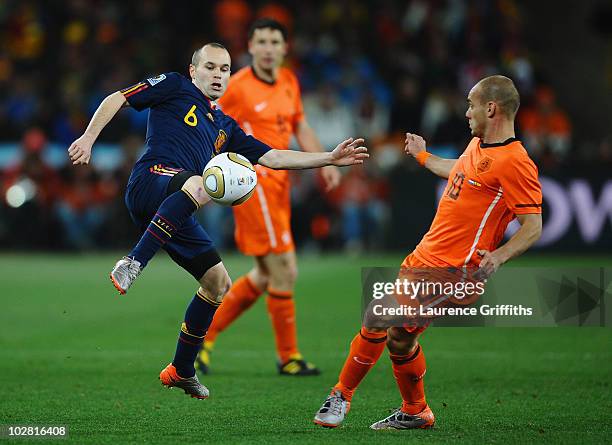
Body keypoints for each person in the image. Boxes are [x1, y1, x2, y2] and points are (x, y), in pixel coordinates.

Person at [67, 43, 367, 399]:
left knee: (218, 282)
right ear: (194, 71)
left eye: (224, 69)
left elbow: (273, 156)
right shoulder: (175, 86)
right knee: (203, 183)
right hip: (151, 180)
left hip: (177, 205)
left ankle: (180, 369)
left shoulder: (226, 127)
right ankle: (134, 261)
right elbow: (118, 97)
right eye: (210, 67)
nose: (218, 75)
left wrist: (329, 158)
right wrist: (88, 137)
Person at [313, 75, 542, 430]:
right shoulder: (478, 147)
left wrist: (498, 256)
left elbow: (533, 225)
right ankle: (416, 411)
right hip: (424, 259)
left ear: (491, 109)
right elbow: (458, 172)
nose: (466, 113)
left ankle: (340, 396)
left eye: (471, 105)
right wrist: (422, 156)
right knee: (400, 339)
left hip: (455, 272)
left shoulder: (515, 161)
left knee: (378, 314)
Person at [196, 18, 341, 377]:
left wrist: (323, 160)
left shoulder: (289, 82)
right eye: (260, 41)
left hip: (280, 187)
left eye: (274, 41)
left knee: (264, 275)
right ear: (250, 46)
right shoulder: (238, 86)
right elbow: (206, 116)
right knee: (285, 270)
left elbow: (299, 126)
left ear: (284, 48)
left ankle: (202, 339)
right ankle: (288, 356)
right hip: (253, 185)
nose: (267, 48)